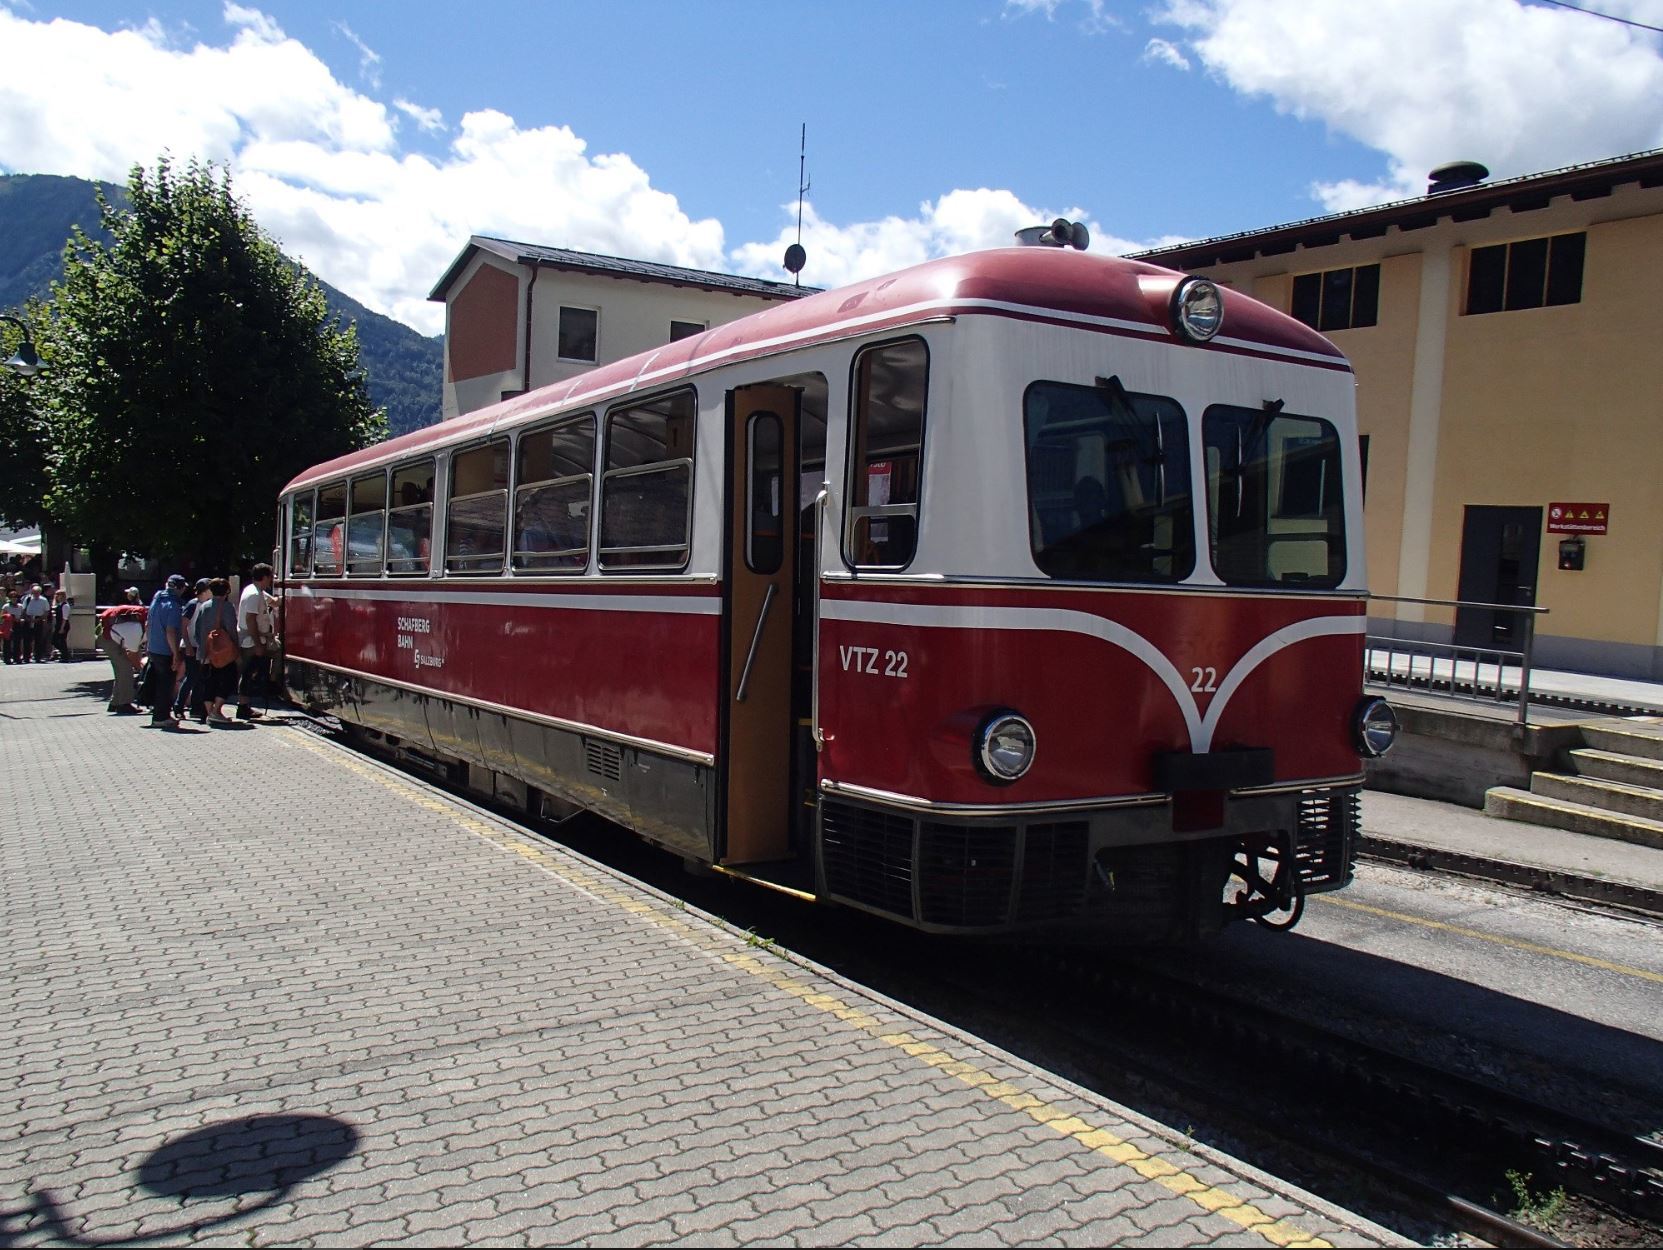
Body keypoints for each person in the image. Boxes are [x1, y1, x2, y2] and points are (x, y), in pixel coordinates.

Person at [193, 578, 241, 724]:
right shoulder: (227, 607)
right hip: (223, 653)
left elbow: (197, 629)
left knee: (209, 681)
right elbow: (231, 629)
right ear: (227, 591)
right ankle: (216, 711)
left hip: (206, 651)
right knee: (228, 679)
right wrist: (236, 649)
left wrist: (203, 648)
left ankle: (210, 713)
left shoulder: (203, 606)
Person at [144, 574, 190, 727]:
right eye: (183, 587)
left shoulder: (156, 601)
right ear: (178, 588)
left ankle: (158, 714)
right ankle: (161, 717)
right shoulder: (174, 605)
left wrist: (147, 645)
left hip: (153, 648)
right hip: (165, 651)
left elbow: (148, 625)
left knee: (158, 682)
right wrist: (176, 653)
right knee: (166, 685)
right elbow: (170, 631)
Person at [237, 562, 276, 720]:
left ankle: (245, 706)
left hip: (254, 640)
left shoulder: (254, 591)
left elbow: (273, 601)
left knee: (250, 673)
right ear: (265, 577)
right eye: (270, 577)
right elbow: (250, 619)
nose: (271, 581)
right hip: (251, 642)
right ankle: (243, 706)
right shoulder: (254, 594)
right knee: (248, 673)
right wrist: (258, 644)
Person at [97, 599, 148, 713]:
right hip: (109, 640)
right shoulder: (136, 630)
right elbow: (133, 655)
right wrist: (141, 671)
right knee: (126, 671)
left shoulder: (140, 627)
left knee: (121, 671)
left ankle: (115, 703)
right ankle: (124, 704)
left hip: (109, 637)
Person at [174, 578, 211, 721]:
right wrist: (188, 645)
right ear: (206, 590)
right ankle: (178, 705)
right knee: (191, 677)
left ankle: (196, 708)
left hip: (201, 646)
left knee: (201, 678)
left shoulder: (207, 605)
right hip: (191, 645)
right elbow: (184, 626)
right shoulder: (192, 605)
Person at [19, 583, 49, 663]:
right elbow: (24, 610)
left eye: (37, 593)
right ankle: (26, 657)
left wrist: (40, 619)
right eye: (34, 592)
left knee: (38, 639)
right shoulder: (27, 599)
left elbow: (46, 611)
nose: (36, 594)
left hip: (38, 620)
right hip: (28, 619)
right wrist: (27, 618)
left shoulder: (44, 600)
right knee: (27, 639)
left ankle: (38, 656)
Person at [50, 588, 72, 662]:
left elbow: (65, 618)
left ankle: (65, 656)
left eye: (58, 595)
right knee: (54, 641)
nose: (56, 596)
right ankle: (64, 653)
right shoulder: (59, 605)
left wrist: (62, 628)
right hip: (58, 624)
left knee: (62, 641)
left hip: (63, 625)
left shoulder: (65, 606)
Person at [0, 595, 16, 665]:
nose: (14, 599)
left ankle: (16, 657)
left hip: (16, 624)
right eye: (12, 598)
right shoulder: (6, 606)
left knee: (16, 642)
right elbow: (2, 616)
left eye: (15, 598)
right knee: (6, 643)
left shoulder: (19, 606)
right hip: (6, 626)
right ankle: (7, 658)